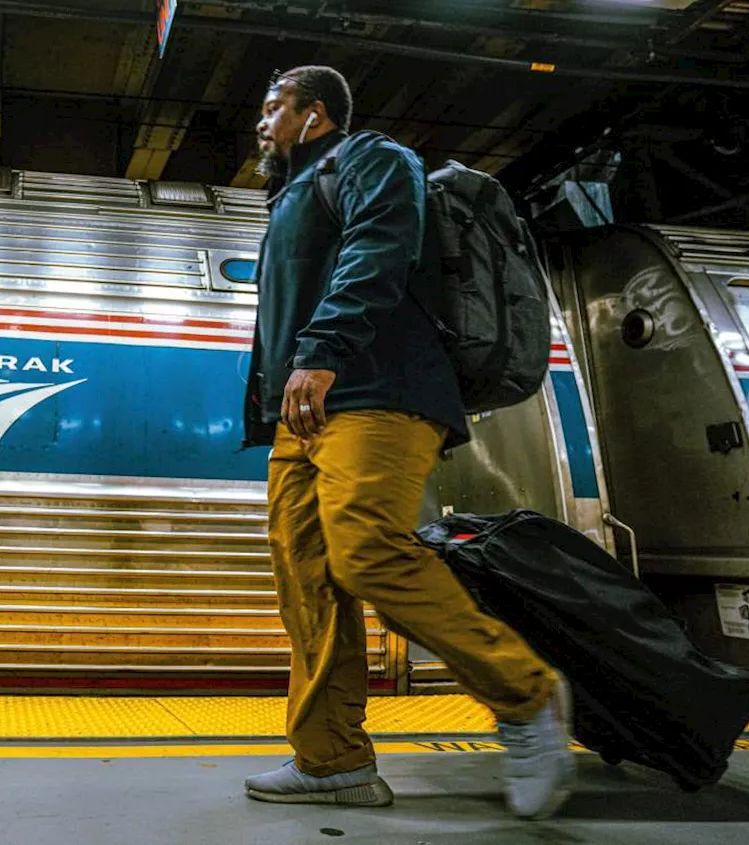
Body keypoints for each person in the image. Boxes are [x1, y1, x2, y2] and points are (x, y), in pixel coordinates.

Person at [240, 66, 574, 820]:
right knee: (308, 581)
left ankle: (526, 696)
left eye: (272, 110)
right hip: (303, 417)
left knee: (367, 550)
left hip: (377, 391)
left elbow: (380, 246)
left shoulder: (367, 158)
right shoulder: (287, 197)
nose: (260, 125)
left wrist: (323, 349)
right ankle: (332, 761)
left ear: (314, 113)